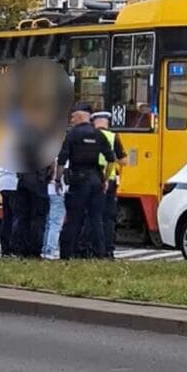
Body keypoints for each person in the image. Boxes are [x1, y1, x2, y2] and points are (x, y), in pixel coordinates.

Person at [58, 104, 116, 259]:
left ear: (80, 116)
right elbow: (111, 159)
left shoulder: (72, 135)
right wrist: (105, 179)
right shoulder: (99, 135)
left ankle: (67, 254)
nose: (71, 119)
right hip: (96, 181)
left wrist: (58, 179)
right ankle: (100, 254)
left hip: (78, 181)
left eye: (73, 116)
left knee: (73, 219)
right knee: (96, 219)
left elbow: (62, 159)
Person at [92, 111, 127, 259]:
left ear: (94, 122)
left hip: (93, 179)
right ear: (107, 122)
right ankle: (108, 250)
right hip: (110, 181)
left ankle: (93, 249)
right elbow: (124, 161)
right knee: (108, 218)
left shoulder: (89, 135)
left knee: (93, 216)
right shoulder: (113, 137)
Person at [12, 165, 48, 257]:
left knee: (22, 217)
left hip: (23, 182)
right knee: (38, 217)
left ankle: (21, 248)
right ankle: (35, 249)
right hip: (38, 182)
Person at [42, 163, 65, 260]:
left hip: (49, 188)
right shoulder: (63, 156)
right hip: (59, 189)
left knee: (48, 223)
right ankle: (50, 251)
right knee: (56, 223)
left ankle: (44, 249)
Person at [0, 165, 18, 257]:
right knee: (15, 218)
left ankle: (5, 250)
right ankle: (13, 248)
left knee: (6, 218)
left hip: (2, 184)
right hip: (13, 185)